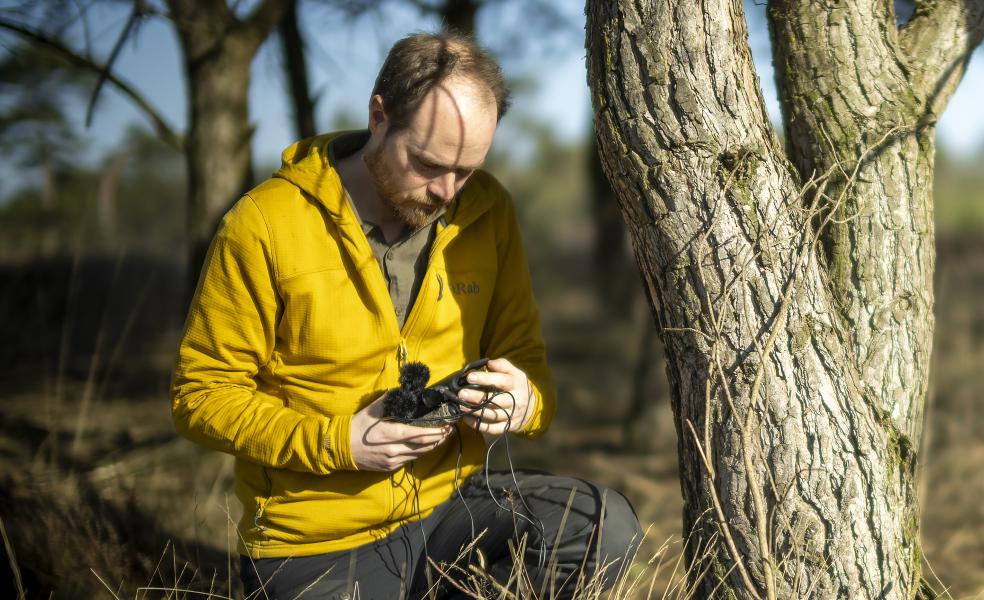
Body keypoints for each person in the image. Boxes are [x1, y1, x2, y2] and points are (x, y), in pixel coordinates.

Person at [171, 30, 641, 598]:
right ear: (379, 115)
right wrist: (340, 441)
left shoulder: (486, 210)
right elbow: (201, 397)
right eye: (427, 163)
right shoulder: (261, 224)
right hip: (315, 540)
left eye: (465, 171)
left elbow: (527, 364)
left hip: (453, 506)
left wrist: (525, 402)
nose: (447, 191)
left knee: (601, 527)